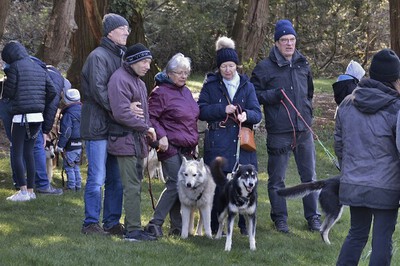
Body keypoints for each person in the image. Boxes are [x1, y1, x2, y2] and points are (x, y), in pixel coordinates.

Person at [250, 19, 321, 233]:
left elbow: (309, 91)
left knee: (309, 177)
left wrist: (307, 111)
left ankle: (313, 218)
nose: (289, 44)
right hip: (279, 131)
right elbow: (253, 96)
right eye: (284, 40)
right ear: (276, 43)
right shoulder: (264, 68)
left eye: (292, 40)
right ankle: (280, 218)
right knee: (277, 179)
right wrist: (271, 96)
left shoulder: (303, 63)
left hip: (303, 130)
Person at [335, 49, 400, 266]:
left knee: (356, 234)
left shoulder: (346, 103)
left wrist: (349, 170)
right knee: (382, 239)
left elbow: (340, 145)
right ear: (394, 79)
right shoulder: (396, 108)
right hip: (386, 185)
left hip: (354, 182)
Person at [197, 36, 262, 235]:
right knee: (219, 184)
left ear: (236, 66)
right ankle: (217, 225)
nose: (227, 70)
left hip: (242, 143)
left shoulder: (247, 85)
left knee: (246, 182)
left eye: (231, 65)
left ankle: (245, 225)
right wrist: (221, 109)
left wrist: (246, 115)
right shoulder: (210, 86)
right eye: (224, 66)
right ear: (219, 67)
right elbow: (201, 110)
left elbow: (257, 112)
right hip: (218, 141)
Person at [80, 13, 129, 236]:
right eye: (123, 29)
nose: (127, 32)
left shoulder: (122, 57)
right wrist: (124, 110)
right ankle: (90, 223)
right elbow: (100, 92)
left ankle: (111, 222)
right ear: (110, 31)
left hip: (115, 127)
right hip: (97, 126)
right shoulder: (97, 57)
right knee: (97, 177)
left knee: (116, 179)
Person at [144, 53, 199, 237]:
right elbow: (151, 117)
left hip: (187, 147)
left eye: (186, 72)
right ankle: (155, 223)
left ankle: (177, 227)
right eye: (179, 72)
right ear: (169, 73)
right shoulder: (160, 92)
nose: (183, 76)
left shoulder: (186, 91)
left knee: (181, 185)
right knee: (176, 183)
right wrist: (161, 136)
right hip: (169, 146)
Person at [107, 43, 157, 241]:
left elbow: (144, 114)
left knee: (136, 185)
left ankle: (132, 226)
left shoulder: (139, 82)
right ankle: (133, 231)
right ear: (132, 61)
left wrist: (150, 130)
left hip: (137, 141)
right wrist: (146, 128)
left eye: (149, 62)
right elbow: (121, 113)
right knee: (131, 186)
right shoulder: (119, 79)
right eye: (144, 61)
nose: (147, 66)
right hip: (123, 141)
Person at [1, 40, 57, 201]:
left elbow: (9, 93)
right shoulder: (38, 67)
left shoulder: (15, 68)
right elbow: (52, 91)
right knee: (30, 153)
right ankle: (31, 191)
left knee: (17, 152)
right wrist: (39, 102)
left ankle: (23, 191)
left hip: (21, 117)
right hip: (37, 117)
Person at [56, 89, 82, 191]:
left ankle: (71, 186)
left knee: (69, 167)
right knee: (76, 166)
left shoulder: (68, 114)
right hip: (80, 144)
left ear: (66, 101)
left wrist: (60, 146)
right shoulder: (83, 111)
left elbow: (66, 132)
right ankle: (78, 185)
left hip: (70, 144)